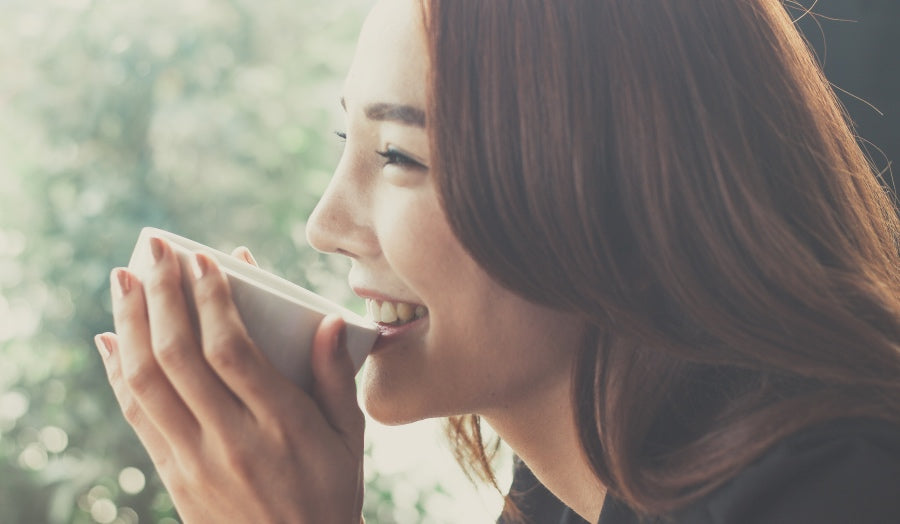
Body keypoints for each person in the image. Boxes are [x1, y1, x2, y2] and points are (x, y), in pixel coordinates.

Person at [94, 0, 900, 522]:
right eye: (350, 143)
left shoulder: (830, 494)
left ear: (613, 188)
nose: (323, 225)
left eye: (400, 156)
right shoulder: (557, 496)